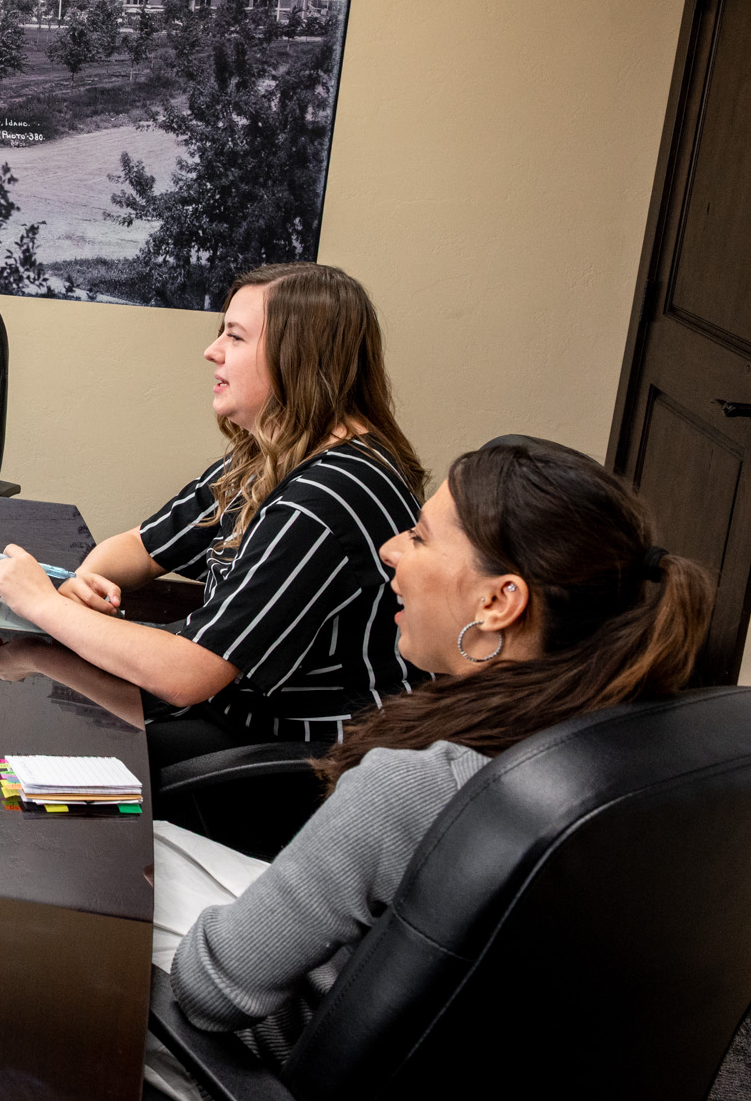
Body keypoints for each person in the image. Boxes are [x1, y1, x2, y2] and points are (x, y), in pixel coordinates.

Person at [139, 435, 709, 1097]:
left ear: (499, 601)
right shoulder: (616, 744)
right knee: (130, 844)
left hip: (255, 1053)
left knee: (83, 902)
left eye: (418, 535)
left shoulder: (413, 786)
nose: (390, 549)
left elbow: (211, 995)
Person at [0, 262, 425, 757]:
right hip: (236, 709)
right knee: (53, 710)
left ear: (297, 357)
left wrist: (42, 604)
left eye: (235, 338)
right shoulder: (269, 453)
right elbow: (143, 546)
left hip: (303, 755)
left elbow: (189, 674)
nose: (212, 352)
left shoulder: (323, 499)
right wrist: (87, 578)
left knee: (42, 739)